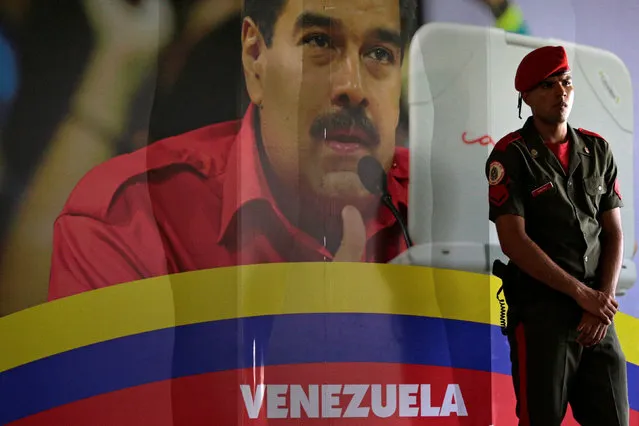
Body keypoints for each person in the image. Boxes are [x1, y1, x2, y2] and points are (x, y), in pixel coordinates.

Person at [48, 0, 417, 300]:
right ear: (255, 58)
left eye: (381, 53)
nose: (353, 86)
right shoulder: (130, 221)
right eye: (319, 42)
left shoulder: (450, 205)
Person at [486, 45, 628, 425]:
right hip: (542, 314)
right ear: (526, 97)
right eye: (548, 86)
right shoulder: (509, 155)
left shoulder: (597, 149)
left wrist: (602, 301)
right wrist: (583, 295)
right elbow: (513, 242)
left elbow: (613, 233)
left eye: (565, 82)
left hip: (597, 314)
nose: (560, 92)